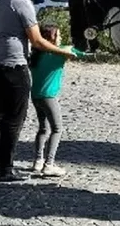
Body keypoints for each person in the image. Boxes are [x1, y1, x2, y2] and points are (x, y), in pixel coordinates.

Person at [0, 0, 77, 182]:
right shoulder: (22, 3)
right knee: (14, 117)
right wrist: (63, 52)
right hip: (12, 64)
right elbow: (37, 40)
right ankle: (5, 169)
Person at [28, 24, 87, 177]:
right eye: (58, 36)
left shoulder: (36, 55)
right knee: (57, 129)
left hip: (35, 95)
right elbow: (82, 54)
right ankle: (49, 164)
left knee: (43, 128)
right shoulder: (60, 53)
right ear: (52, 38)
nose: (61, 38)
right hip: (49, 97)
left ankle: (38, 161)